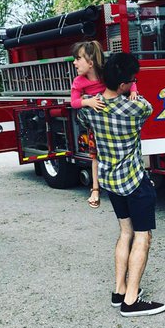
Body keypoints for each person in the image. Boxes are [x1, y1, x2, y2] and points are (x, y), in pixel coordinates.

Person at [77, 53, 165, 317]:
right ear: (126, 84)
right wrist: (133, 92)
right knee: (143, 237)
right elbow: (149, 107)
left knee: (124, 233)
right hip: (135, 181)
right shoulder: (136, 108)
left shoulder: (89, 109)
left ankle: (119, 290)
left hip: (111, 182)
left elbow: (81, 114)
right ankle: (131, 300)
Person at [69, 40, 112, 210]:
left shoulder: (107, 74)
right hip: (95, 126)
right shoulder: (79, 82)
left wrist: (133, 92)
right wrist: (89, 101)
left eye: (78, 58)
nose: (74, 62)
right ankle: (95, 189)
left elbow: (128, 80)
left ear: (91, 62)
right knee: (95, 157)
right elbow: (74, 102)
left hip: (112, 123)